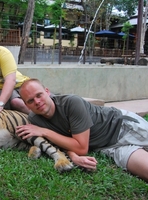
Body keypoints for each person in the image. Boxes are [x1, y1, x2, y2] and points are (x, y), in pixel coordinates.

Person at [16, 78, 148, 182]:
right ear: (26, 104)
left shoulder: (71, 103)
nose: (37, 102)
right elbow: (61, 143)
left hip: (121, 126)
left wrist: (44, 132)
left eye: (39, 95)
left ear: (47, 91)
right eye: (31, 100)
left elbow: (81, 147)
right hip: (110, 149)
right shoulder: (35, 120)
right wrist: (74, 157)